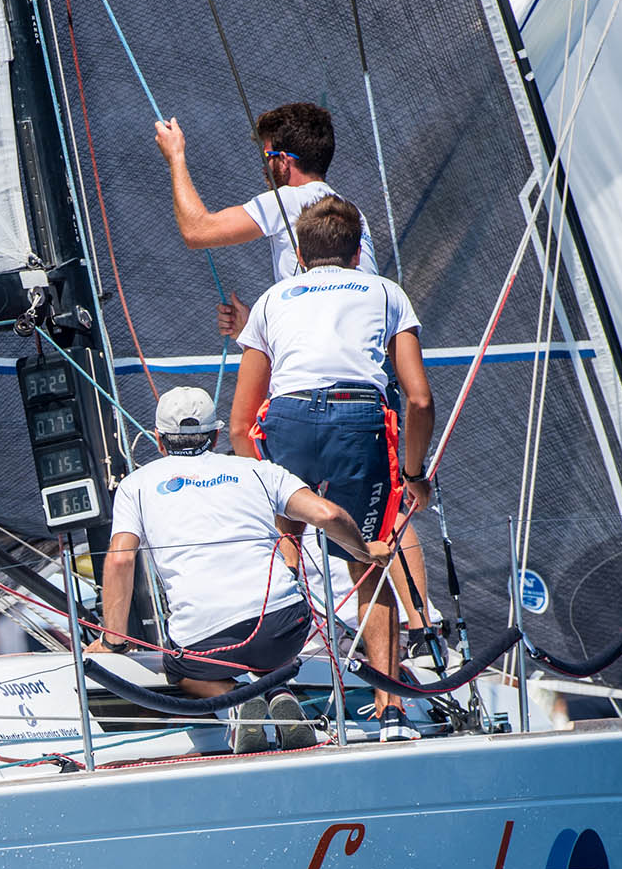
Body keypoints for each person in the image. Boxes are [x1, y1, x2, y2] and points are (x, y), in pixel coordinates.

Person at [228, 195, 433, 742]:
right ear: (357, 251)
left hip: (288, 419)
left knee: (285, 548)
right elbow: (418, 400)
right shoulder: (386, 292)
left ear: (298, 254)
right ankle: (391, 713)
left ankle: (275, 688)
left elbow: (240, 425)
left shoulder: (271, 300)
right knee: (369, 558)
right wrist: (415, 476)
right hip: (357, 421)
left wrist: (267, 493)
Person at [90, 386, 391, 754]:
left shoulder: (135, 485)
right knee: (264, 649)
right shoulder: (259, 471)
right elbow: (327, 515)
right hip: (283, 627)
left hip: (206, 640)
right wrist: (364, 551)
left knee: (179, 671)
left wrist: (113, 641)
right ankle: (277, 692)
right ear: (216, 436)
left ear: (158, 440)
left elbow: (121, 559)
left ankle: (237, 698)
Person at [154, 100, 379, 338]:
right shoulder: (352, 212)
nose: (263, 167)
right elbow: (330, 312)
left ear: (284, 161)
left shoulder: (287, 200)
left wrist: (175, 156)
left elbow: (196, 231)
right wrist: (250, 328)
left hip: (324, 352)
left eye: (266, 157)